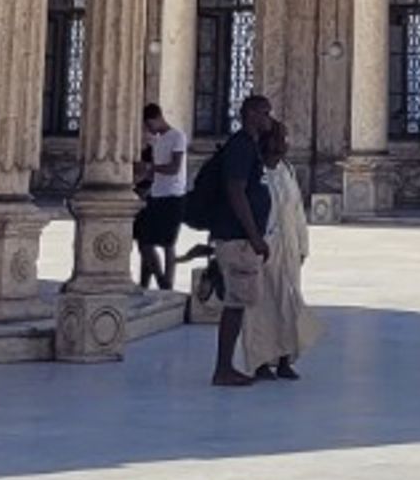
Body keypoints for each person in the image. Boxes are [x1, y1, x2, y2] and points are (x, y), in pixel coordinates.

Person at [199, 91, 277, 388]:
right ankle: (223, 368)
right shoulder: (241, 147)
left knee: (239, 301)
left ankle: (226, 366)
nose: (269, 119)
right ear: (252, 115)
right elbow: (236, 191)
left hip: (238, 235)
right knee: (235, 302)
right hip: (237, 237)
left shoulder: (251, 146)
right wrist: (254, 236)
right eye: (266, 113)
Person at [234, 109, 318, 382]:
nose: (284, 145)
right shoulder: (255, 171)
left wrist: (302, 245)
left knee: (288, 305)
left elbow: (296, 212)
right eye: (280, 139)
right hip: (262, 248)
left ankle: (284, 360)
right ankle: (259, 362)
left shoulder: (286, 170)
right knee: (260, 307)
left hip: (288, 248)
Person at [132, 103, 188, 292]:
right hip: (156, 195)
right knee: (145, 242)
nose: (148, 129)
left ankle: (168, 285)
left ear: (156, 119)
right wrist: (141, 177)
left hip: (173, 196)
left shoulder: (177, 137)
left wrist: (150, 168)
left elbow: (174, 168)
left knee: (168, 243)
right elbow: (155, 173)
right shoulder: (157, 141)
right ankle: (159, 279)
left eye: (149, 125)